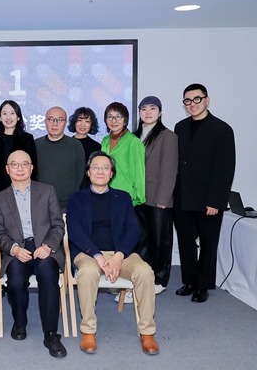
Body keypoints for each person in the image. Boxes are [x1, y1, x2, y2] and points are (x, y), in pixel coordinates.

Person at [67, 151, 159, 355]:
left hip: (120, 254)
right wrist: (98, 256)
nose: (100, 171)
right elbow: (75, 231)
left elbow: (133, 230)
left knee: (145, 272)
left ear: (112, 174)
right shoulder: (76, 198)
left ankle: (147, 332)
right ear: (88, 172)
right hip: (88, 253)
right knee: (87, 273)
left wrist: (119, 256)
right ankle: (88, 330)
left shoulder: (123, 198)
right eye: (95, 167)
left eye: (105, 168)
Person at [0, 150, 66, 358]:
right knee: (15, 280)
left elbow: (58, 225)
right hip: (17, 249)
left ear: (31, 168)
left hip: (44, 246)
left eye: (25, 164)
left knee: (48, 274)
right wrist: (14, 249)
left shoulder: (47, 191)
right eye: (14, 164)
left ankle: (51, 334)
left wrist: (48, 246)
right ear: (7, 169)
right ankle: (20, 322)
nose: (20, 168)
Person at [173, 83, 235, 303]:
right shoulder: (180, 127)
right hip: (183, 195)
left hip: (208, 198)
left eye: (197, 99)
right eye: (188, 101)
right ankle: (190, 281)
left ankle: (203, 285)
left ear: (207, 100)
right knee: (186, 242)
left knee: (209, 243)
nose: (192, 104)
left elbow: (225, 168)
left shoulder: (221, 129)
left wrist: (216, 201)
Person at [132, 96, 178, 295]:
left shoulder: (168, 136)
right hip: (137, 198)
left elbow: (169, 169)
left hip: (157, 197)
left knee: (160, 240)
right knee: (140, 240)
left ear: (159, 112)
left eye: (152, 108)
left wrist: (163, 198)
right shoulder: (133, 136)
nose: (148, 112)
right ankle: (142, 277)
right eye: (144, 109)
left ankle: (160, 279)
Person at [0, 100, 38, 198]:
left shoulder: (27, 139)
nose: (8, 117)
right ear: (0, 118)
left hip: (23, 192)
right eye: (4, 114)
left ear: (18, 117)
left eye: (12, 113)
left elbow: (33, 169)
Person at [35, 106, 85, 211]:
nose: (55, 123)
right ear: (45, 122)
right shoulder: (35, 145)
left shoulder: (75, 145)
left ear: (65, 123)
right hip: (41, 205)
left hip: (68, 205)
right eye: (51, 119)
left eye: (60, 120)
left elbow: (79, 175)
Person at [100, 102, 145, 207]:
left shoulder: (133, 141)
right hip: (105, 193)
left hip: (126, 195)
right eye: (110, 117)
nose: (113, 121)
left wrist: (138, 197)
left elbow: (139, 172)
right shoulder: (105, 141)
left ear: (125, 119)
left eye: (118, 117)